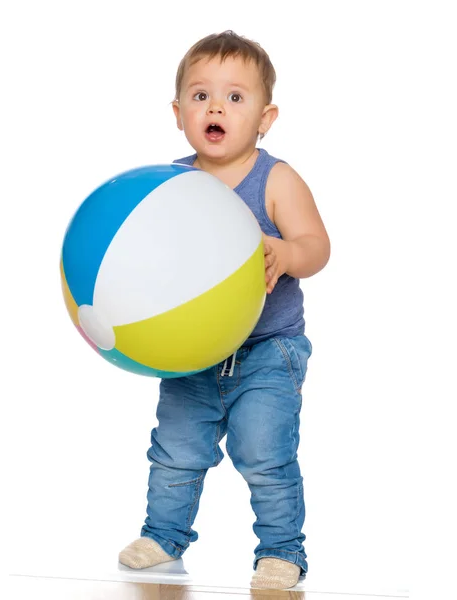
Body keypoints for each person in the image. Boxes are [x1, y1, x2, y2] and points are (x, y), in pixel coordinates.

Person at [118, 30, 330, 590]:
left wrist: (285, 252)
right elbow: (150, 259)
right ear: (178, 112)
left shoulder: (275, 178)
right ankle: (163, 536)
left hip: (267, 350)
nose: (216, 107)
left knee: (265, 454)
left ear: (266, 117)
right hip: (191, 351)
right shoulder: (170, 184)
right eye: (200, 94)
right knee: (175, 450)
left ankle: (282, 551)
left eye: (236, 98)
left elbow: (317, 247)